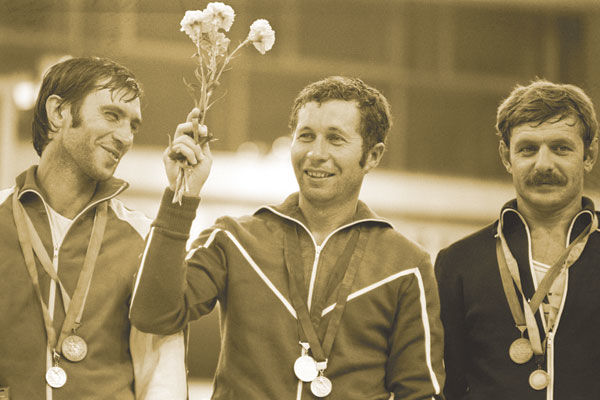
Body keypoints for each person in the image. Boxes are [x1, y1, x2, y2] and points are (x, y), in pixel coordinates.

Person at [129, 76, 445, 399]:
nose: (316, 153)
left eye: (335, 139)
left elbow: (421, 392)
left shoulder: (406, 265)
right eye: (306, 136)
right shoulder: (234, 240)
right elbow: (154, 314)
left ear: (373, 155)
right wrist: (180, 196)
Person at [0, 57, 187, 400]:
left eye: (133, 125)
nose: (125, 137)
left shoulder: (142, 237)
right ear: (58, 112)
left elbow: (162, 370)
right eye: (112, 115)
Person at [435, 79, 600, 400]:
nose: (544, 164)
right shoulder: (457, 264)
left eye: (561, 148)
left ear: (589, 155)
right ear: (506, 157)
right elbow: (446, 387)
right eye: (528, 149)